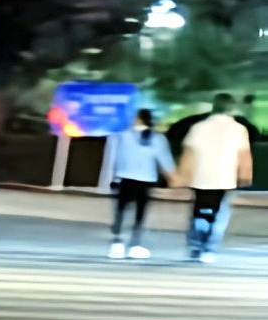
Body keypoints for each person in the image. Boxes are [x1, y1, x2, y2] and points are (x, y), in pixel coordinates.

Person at [177, 93, 253, 262]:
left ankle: (196, 246)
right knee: (220, 214)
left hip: (200, 177)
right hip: (226, 178)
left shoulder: (198, 127)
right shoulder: (238, 129)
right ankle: (209, 249)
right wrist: (245, 175)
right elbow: (244, 156)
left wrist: (182, 176)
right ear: (231, 108)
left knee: (199, 212)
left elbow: (188, 154)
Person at [108, 109, 174, 259]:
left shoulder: (122, 136)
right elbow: (165, 160)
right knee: (140, 214)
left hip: (124, 178)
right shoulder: (157, 138)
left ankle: (117, 244)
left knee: (121, 212)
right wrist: (173, 177)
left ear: (136, 119)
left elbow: (113, 158)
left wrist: (113, 178)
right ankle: (134, 245)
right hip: (146, 180)